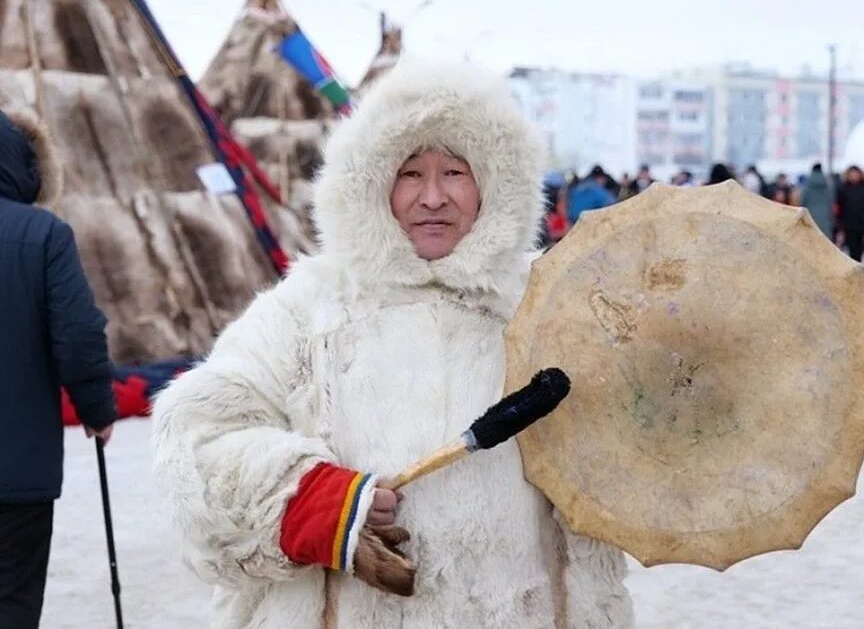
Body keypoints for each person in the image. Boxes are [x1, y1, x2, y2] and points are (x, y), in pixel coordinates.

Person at [151, 60, 633, 628]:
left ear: (494, 183)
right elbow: (197, 434)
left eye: (455, 172)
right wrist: (312, 501)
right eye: (409, 173)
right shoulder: (310, 309)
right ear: (373, 182)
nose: (433, 197)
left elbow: (626, 451)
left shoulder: (552, 308)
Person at [0, 109, 117, 628]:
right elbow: (78, 332)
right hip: (16, 472)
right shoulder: (42, 233)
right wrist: (97, 407)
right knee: (12, 600)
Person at [836, 165, 864, 264]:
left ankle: (859, 266)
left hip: (863, 224)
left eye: (856, 174)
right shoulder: (843, 188)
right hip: (847, 224)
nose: (853, 176)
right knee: (851, 249)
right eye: (851, 174)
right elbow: (839, 206)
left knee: (860, 250)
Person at [801, 163, 834, 236]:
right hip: (825, 218)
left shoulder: (807, 186)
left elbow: (803, 203)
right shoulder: (828, 185)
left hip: (810, 218)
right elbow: (831, 203)